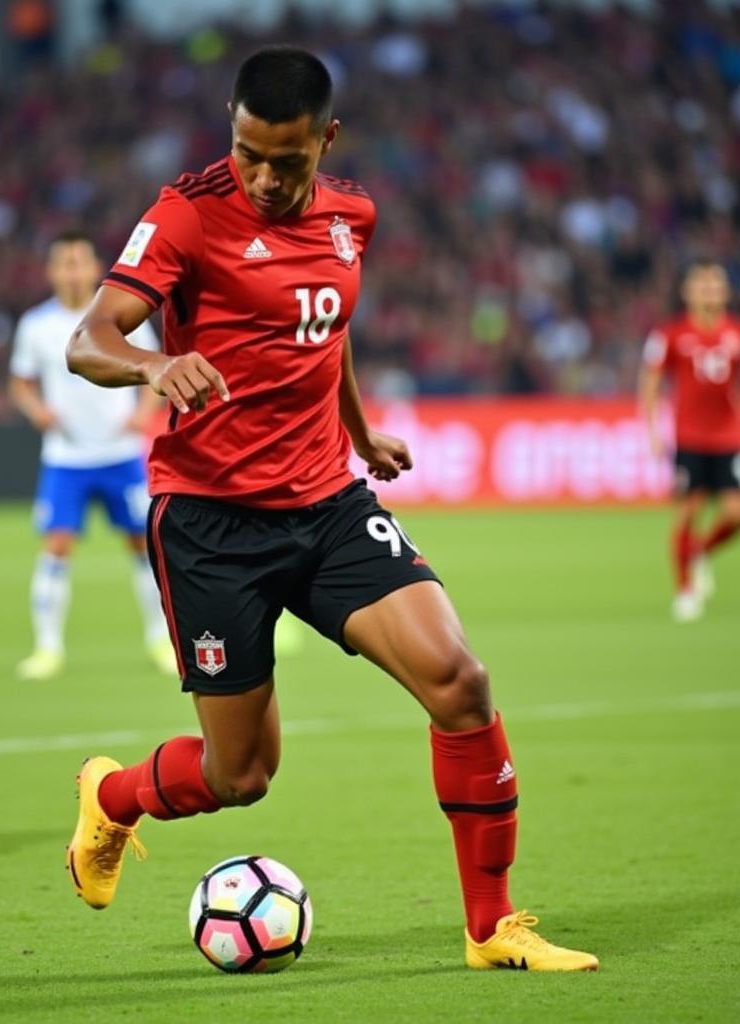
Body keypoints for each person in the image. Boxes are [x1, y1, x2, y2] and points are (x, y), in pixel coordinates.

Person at [61, 49, 598, 971]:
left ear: (327, 140)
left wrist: (359, 426)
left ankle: (490, 927)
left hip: (329, 503)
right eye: (248, 154)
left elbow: (325, 331)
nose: (265, 179)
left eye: (288, 160)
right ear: (230, 128)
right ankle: (113, 800)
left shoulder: (355, 216)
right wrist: (155, 364)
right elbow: (89, 338)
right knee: (243, 777)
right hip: (212, 524)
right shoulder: (186, 213)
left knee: (460, 683)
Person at [9, 230, 176, 679]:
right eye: (64, 263)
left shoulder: (122, 314)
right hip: (66, 457)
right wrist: (36, 410)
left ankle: (160, 639)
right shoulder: (35, 325)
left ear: (95, 267)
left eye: (79, 262)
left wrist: (144, 412)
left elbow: (157, 367)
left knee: (144, 545)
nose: (72, 271)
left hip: (120, 454)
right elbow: (20, 382)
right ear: (51, 272)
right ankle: (47, 648)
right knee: (57, 546)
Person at [639, 259, 740, 622]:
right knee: (689, 510)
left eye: (715, 284)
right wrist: (651, 429)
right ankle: (685, 590)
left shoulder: (735, 332)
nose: (710, 290)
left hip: (729, 436)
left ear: (726, 291)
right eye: (702, 284)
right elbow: (651, 381)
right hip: (690, 437)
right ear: (688, 291)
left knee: (735, 513)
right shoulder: (671, 335)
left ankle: (698, 552)